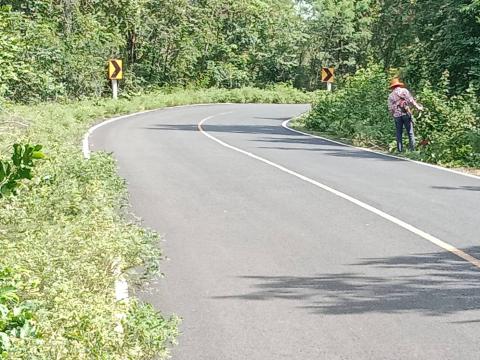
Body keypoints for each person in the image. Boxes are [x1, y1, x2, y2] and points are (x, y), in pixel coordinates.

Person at [387, 78, 423, 152]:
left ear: (392, 87)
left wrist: (392, 115)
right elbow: (411, 100)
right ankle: (412, 150)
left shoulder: (390, 95)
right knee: (410, 132)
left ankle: (399, 150)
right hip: (406, 113)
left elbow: (390, 109)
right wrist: (418, 107)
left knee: (399, 133)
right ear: (398, 85)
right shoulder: (404, 91)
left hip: (397, 116)